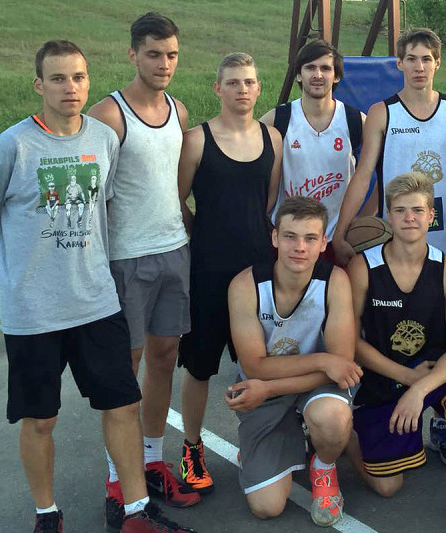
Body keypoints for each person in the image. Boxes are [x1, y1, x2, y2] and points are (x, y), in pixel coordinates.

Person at [0, 40, 194, 533]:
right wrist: (10, 265)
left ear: (89, 80)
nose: (71, 88)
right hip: (35, 312)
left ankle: (135, 512)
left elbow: (102, 208)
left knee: (123, 407)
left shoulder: (103, 138)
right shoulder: (13, 145)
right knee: (41, 420)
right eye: (59, 78)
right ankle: (48, 514)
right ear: (38, 85)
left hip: (96, 302)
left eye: (79, 77)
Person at [87, 12, 200, 514]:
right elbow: (92, 200)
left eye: (172, 54)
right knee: (123, 370)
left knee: (164, 358)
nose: (164, 63)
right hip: (124, 259)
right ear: (132, 54)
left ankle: (152, 461)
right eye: (154, 54)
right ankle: (120, 478)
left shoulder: (179, 109)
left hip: (173, 250)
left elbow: (175, 184)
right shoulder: (108, 115)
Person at [347, 172, 446, 533]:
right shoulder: (363, 267)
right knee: (387, 487)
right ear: (388, 216)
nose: (410, 218)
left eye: (418, 210)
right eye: (401, 211)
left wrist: (419, 389)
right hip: (385, 376)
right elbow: (350, 342)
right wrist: (405, 378)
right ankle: (347, 438)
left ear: (432, 215)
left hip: (433, 373)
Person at [177, 52, 282, 496]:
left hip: (258, 270)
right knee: (199, 367)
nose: (243, 90)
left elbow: (268, 202)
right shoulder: (196, 140)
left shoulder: (273, 137)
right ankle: (192, 446)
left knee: (258, 365)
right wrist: (204, 238)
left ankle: (258, 441)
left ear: (259, 88)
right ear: (217, 89)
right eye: (233, 82)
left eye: (250, 82)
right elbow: (177, 200)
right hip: (209, 271)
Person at [225, 196, 359, 526]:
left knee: (332, 417)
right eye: (290, 236)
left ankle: (324, 468)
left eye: (310, 238)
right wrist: (324, 360)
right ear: (275, 238)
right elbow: (255, 365)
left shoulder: (335, 281)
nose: (299, 247)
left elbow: (341, 368)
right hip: (266, 385)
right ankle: (271, 446)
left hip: (301, 385)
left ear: (323, 242)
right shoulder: (246, 286)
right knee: (267, 507)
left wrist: (270, 387)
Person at [332, 28, 446, 266]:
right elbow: (364, 175)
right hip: (397, 226)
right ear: (399, 64)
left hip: (443, 230)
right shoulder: (381, 112)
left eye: (426, 59)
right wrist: (340, 231)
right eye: (411, 59)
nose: (419, 67)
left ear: (437, 63)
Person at [259, 39, 373, 262]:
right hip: (291, 237)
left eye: (325, 68)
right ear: (299, 75)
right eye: (310, 67)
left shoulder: (355, 120)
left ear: (337, 76)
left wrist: (363, 217)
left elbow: (386, 168)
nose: (317, 74)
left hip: (337, 236)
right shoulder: (279, 119)